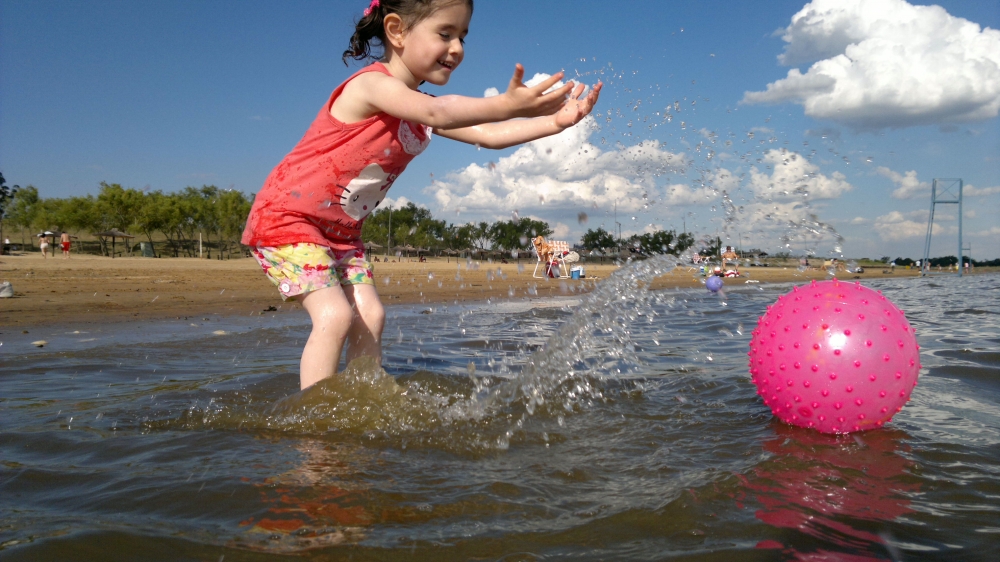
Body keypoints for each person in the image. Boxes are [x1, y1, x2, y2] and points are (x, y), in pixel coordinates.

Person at [242, 0, 602, 390]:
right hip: (288, 220)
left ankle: (363, 398)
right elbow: (441, 113)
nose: (458, 48)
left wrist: (554, 122)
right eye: (445, 34)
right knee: (334, 316)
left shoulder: (419, 107)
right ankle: (316, 424)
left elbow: (488, 136)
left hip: (341, 235)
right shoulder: (371, 85)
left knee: (371, 316)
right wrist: (506, 104)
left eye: (462, 37)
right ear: (396, 31)